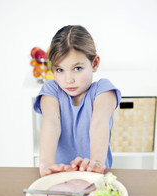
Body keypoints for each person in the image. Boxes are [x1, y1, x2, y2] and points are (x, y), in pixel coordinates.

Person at [33, 25, 121, 177]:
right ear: (52, 69)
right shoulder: (51, 91)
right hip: (59, 176)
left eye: (77, 68)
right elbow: (51, 122)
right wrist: (46, 165)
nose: (69, 79)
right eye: (60, 70)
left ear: (94, 63)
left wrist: (96, 163)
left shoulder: (104, 90)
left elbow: (99, 123)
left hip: (95, 175)